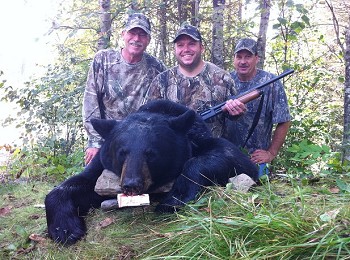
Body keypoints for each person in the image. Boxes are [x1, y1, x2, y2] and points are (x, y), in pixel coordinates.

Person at [83, 13, 167, 164]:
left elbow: (162, 111)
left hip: (141, 143)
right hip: (108, 138)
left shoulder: (157, 68)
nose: (136, 39)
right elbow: (91, 104)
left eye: (142, 35)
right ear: (123, 34)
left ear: (148, 40)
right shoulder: (103, 60)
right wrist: (94, 143)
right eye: (132, 33)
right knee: (91, 181)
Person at [145, 24, 241, 137]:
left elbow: (233, 121)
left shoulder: (223, 78)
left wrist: (237, 112)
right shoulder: (161, 81)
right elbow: (148, 120)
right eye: (180, 45)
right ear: (174, 50)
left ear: (201, 47)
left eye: (191, 44)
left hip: (211, 151)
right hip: (174, 152)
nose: (186, 49)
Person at [225, 38, 291, 175]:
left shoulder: (271, 83)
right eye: (239, 56)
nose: (243, 61)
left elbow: (284, 121)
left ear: (257, 58)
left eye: (248, 56)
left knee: (256, 190)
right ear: (234, 59)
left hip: (255, 159)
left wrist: (271, 153)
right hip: (226, 155)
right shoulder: (225, 81)